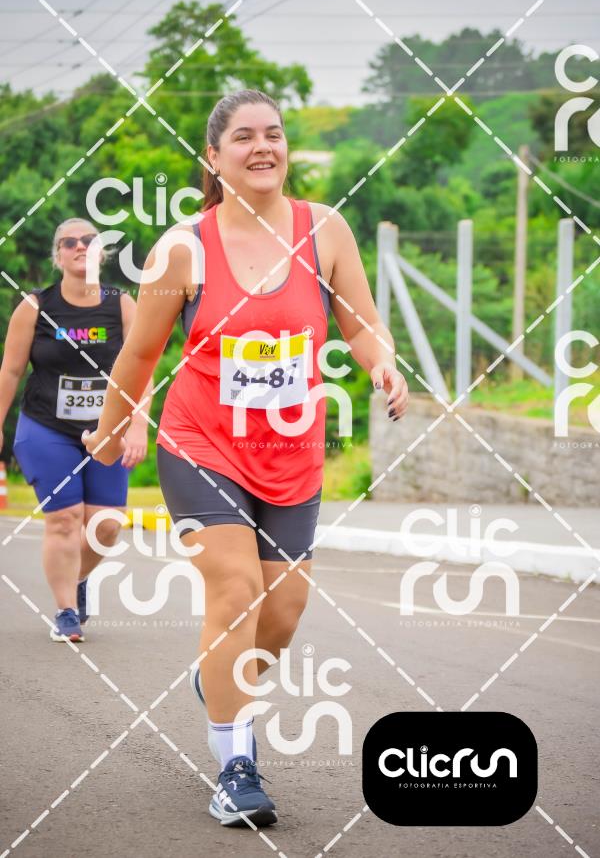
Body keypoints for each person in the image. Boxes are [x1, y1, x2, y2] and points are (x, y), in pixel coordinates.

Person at [82, 89, 408, 827]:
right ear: (214, 156)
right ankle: (237, 765)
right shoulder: (183, 249)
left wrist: (383, 363)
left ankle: (221, 683)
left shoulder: (324, 230)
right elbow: (140, 352)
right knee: (236, 592)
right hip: (201, 444)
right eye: (244, 137)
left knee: (282, 612)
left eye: (274, 134)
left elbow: (362, 326)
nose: (263, 147)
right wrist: (109, 427)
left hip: (292, 453)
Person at [0, 217, 150, 643]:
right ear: (58, 255)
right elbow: (10, 372)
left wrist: (138, 426)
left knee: (106, 525)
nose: (80, 247)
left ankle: (77, 579)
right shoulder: (35, 307)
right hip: (46, 426)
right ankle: (66, 609)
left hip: (107, 430)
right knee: (65, 519)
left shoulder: (121, 305)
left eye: (89, 240)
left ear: (102, 251)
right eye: (70, 242)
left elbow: (143, 368)